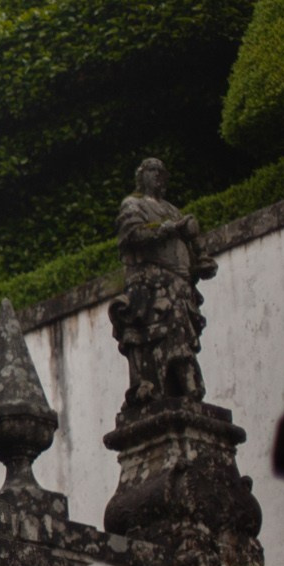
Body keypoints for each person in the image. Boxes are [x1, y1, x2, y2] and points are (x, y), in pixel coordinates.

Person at [110, 157, 215, 408]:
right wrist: (168, 229)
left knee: (180, 333)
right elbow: (131, 236)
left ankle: (182, 386)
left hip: (179, 285)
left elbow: (186, 243)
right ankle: (169, 384)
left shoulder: (172, 209)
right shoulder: (133, 205)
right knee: (163, 333)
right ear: (141, 176)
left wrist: (199, 261)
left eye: (161, 172)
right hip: (152, 285)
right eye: (152, 171)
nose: (158, 176)